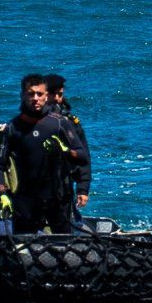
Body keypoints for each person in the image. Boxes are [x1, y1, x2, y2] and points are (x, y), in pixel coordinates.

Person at [0, 73, 89, 234]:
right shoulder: (12, 128)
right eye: (31, 94)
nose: (35, 98)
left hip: (57, 199)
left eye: (40, 94)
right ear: (22, 96)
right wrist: (2, 194)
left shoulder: (59, 123)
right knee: (23, 251)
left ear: (46, 96)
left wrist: (65, 151)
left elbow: (83, 156)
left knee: (63, 246)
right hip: (25, 202)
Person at [45, 73, 91, 215]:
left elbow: (83, 156)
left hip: (62, 182)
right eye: (55, 95)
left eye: (60, 94)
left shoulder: (69, 122)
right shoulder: (30, 120)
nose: (58, 99)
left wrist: (83, 188)